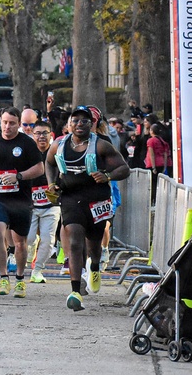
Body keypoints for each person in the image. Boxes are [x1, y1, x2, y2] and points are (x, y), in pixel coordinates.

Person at [45, 105, 130, 311]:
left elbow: (124, 168)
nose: (79, 124)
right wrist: (51, 184)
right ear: (68, 124)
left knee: (93, 244)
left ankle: (94, 267)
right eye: (75, 120)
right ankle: (75, 291)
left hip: (97, 199)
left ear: (92, 124)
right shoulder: (59, 144)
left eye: (84, 121)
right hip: (70, 197)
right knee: (74, 239)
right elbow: (48, 163)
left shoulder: (101, 146)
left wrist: (108, 176)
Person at [0, 107, 45, 298]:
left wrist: (19, 176)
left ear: (19, 124)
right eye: (5, 122)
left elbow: (40, 168)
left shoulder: (26, 143)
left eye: (12, 123)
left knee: (20, 243)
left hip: (20, 200)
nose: (7, 127)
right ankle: (2, 276)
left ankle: (19, 279)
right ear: (0, 121)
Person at [26, 120, 59, 284]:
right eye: (37, 133)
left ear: (51, 135)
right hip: (30, 205)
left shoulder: (56, 153)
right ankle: (32, 246)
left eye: (44, 133)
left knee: (48, 239)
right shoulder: (28, 152)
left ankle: (37, 270)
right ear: (32, 135)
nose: (41, 137)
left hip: (51, 205)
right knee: (29, 238)